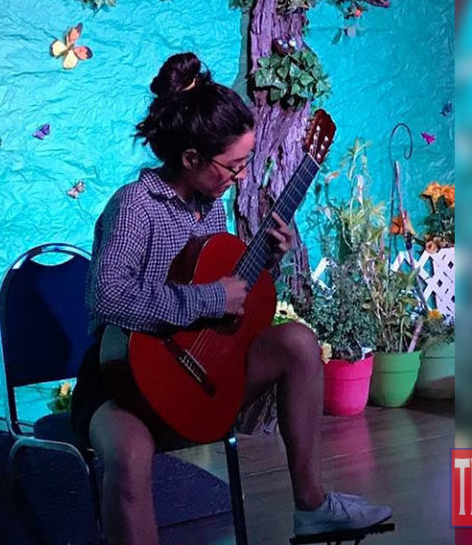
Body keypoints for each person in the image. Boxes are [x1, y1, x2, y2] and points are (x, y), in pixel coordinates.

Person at [70, 52, 392, 545]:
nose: (241, 176)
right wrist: (207, 300)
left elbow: (227, 297)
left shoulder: (210, 207)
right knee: (130, 455)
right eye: (234, 165)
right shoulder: (135, 206)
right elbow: (108, 297)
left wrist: (267, 261)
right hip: (121, 379)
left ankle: (312, 507)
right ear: (191, 159)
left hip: (196, 373)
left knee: (297, 343)